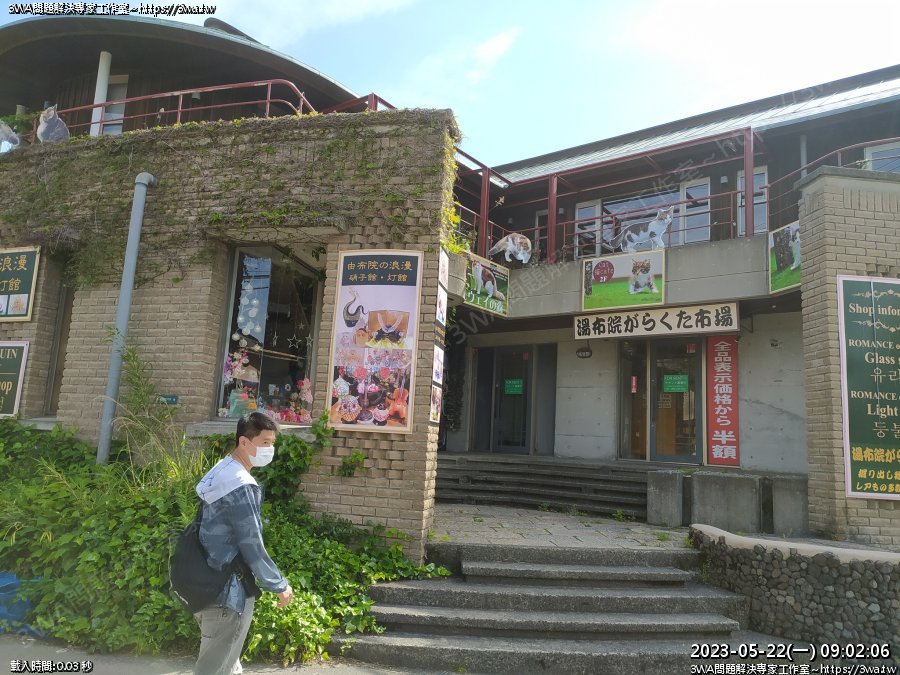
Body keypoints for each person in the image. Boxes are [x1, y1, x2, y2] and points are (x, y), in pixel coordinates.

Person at [192, 412, 294, 675]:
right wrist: (278, 584)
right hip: (228, 593)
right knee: (214, 670)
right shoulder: (240, 485)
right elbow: (251, 542)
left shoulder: (221, 471)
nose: (270, 449)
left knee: (226, 665)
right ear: (244, 442)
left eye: (273, 443)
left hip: (206, 581)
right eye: (265, 442)